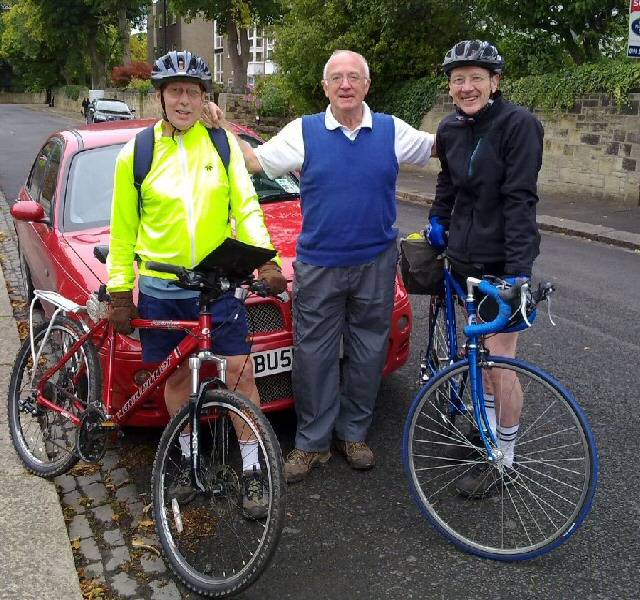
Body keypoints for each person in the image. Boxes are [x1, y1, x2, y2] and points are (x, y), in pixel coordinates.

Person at [204, 49, 436, 483]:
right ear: (325, 87)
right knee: (313, 356)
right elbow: (254, 162)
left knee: (368, 352)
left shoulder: (391, 130)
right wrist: (218, 126)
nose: (345, 85)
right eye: (336, 78)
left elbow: (439, 147)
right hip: (319, 265)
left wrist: (481, 121)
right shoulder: (304, 131)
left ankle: (354, 435)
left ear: (367, 85)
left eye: (354, 77)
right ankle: (312, 444)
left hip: (375, 264)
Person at [106, 50, 287, 516]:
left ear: (204, 99)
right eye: (175, 91)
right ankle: (186, 461)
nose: (184, 100)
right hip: (162, 291)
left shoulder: (222, 146)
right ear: (161, 97)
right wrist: (121, 291)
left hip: (217, 286)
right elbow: (123, 232)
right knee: (176, 380)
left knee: (242, 376)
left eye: (192, 92)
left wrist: (267, 263)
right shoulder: (138, 154)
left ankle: (251, 470)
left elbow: (246, 210)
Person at [425, 40, 544, 497]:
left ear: (495, 82)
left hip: (501, 263)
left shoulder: (519, 125)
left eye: (476, 77)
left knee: (500, 362)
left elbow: (520, 201)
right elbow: (447, 181)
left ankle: (504, 458)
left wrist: (518, 274)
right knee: (477, 359)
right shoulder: (451, 128)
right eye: (458, 79)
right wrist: (438, 217)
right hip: (463, 262)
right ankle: (486, 433)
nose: (467, 86)